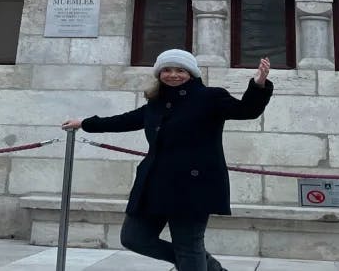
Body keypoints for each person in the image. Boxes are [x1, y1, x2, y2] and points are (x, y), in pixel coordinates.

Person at [62, 49, 272, 271]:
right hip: (155, 184)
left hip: (193, 186)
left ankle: (199, 263)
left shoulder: (211, 97)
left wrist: (258, 84)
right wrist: (84, 123)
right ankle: (210, 267)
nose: (173, 75)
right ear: (159, 73)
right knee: (134, 238)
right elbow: (123, 121)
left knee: (188, 246)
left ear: (191, 73)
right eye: (167, 70)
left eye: (180, 70)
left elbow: (246, 110)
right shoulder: (156, 102)